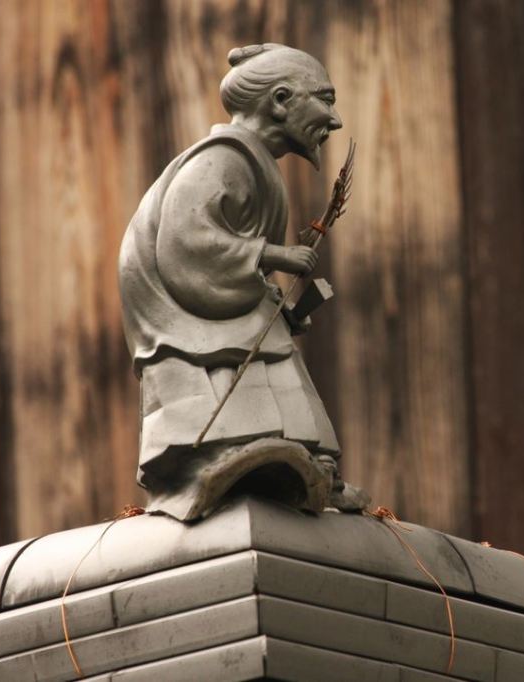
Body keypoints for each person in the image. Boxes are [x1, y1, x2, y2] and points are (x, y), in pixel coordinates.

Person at [118, 43, 367, 520]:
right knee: (217, 380)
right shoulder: (221, 160)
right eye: (325, 100)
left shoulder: (253, 165)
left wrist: (276, 297)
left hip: (225, 297)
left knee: (275, 357)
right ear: (280, 100)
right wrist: (273, 255)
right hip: (187, 307)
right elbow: (189, 241)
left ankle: (308, 466)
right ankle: (211, 459)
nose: (333, 121)